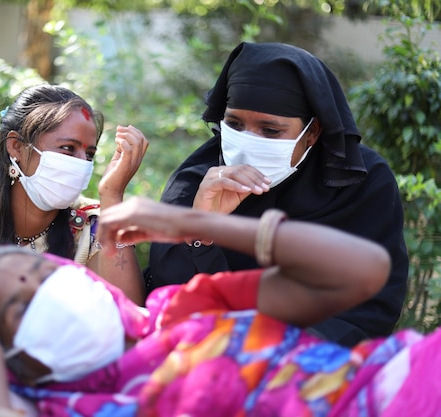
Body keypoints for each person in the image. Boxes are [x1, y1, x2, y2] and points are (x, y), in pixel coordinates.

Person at [0, 197, 441, 417]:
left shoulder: (184, 310)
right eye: (19, 307)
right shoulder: (72, 406)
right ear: (15, 357)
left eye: (44, 274)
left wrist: (192, 223)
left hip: (403, 382)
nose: (48, 294)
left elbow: (365, 271)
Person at [147, 41, 408, 346]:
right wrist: (202, 228)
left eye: (270, 131)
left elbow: (369, 309)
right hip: (202, 356)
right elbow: (167, 300)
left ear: (312, 132)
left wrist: (273, 356)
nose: (248, 141)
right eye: (234, 124)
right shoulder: (198, 182)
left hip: (309, 370)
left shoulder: (362, 184)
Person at [0, 84, 148, 305]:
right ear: (16, 147)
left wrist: (112, 196)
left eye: (89, 154)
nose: (81, 163)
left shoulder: (93, 226)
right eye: (67, 148)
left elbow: (131, 324)